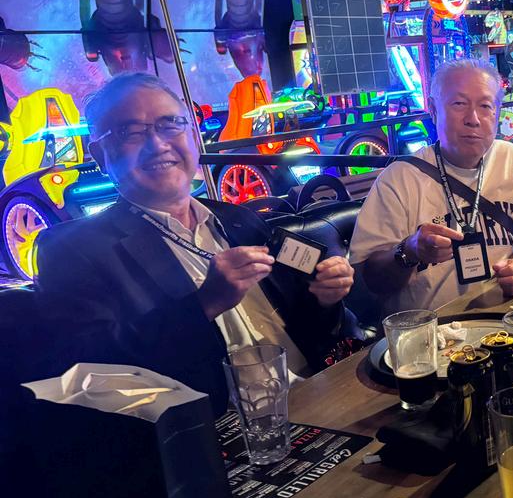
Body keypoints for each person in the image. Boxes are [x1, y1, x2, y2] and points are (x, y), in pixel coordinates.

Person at [35, 73, 358, 415]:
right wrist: (205, 303)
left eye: (170, 124)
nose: (157, 144)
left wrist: (325, 298)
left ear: (192, 135)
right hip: (217, 430)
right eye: (131, 132)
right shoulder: (73, 250)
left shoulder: (238, 220)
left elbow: (312, 332)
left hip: (318, 395)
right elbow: (93, 376)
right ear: (100, 154)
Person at [350, 59, 513, 317]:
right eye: (459, 104)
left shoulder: (512, 159)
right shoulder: (399, 179)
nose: (473, 119)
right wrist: (410, 250)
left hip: (504, 321)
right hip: (431, 330)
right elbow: (369, 281)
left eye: (485, 106)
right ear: (433, 110)